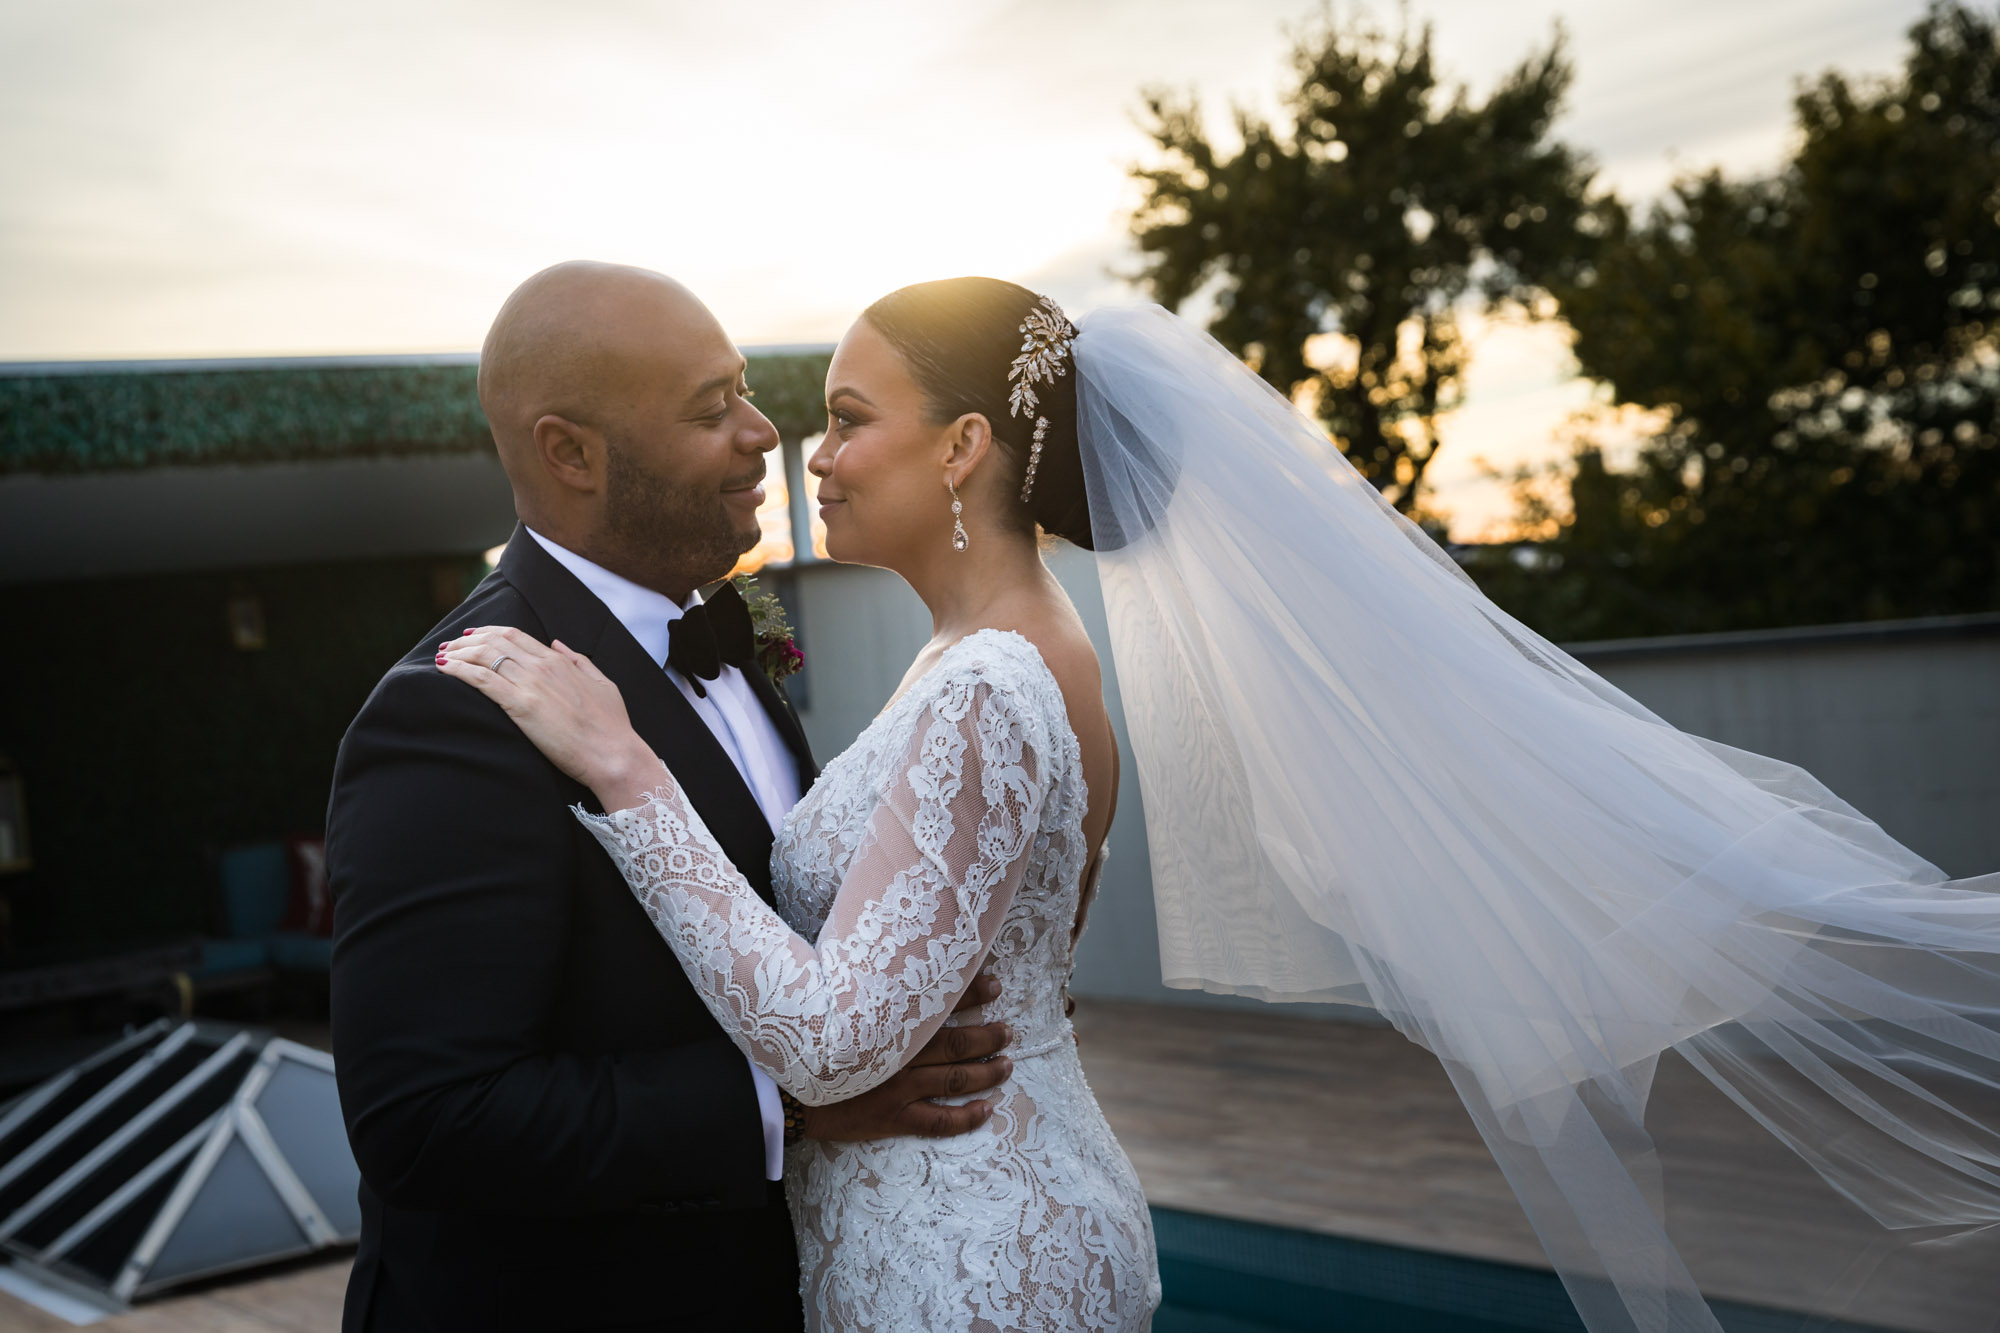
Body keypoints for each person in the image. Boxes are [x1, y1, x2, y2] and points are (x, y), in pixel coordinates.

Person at [444, 276, 2000, 1333]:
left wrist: (629, 774)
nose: (811, 451)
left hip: (969, 1257)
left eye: (851, 415)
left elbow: (838, 1037)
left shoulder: (995, 683)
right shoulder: (1006, 663)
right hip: (973, 1209)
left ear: (967, 446)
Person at [326, 262, 1017, 1333]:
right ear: (570, 452)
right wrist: (796, 1102)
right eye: (712, 409)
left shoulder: (727, 638)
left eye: (742, 388)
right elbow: (427, 1120)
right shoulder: (455, 712)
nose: (758, 432)